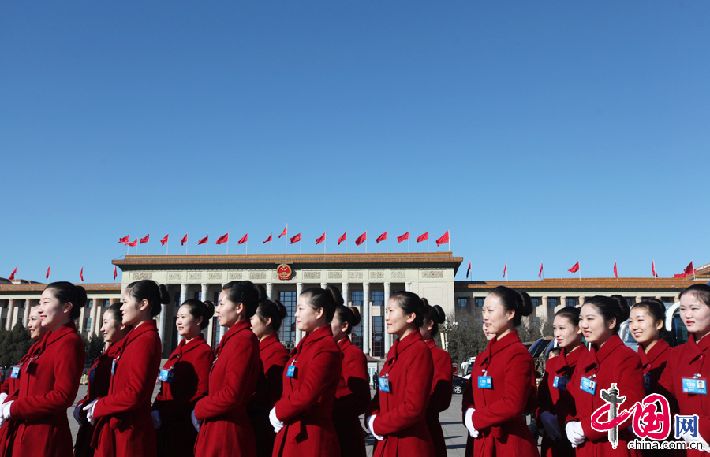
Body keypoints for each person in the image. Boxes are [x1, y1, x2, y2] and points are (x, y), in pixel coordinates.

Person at [0, 281, 86, 457]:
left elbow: (63, 396)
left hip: (44, 438)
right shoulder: (44, 345)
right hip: (24, 433)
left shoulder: (69, 343)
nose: (40, 309)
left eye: (45, 302)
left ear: (66, 307)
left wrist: (14, 408)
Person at [84, 280, 168, 457]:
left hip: (129, 434)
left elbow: (134, 393)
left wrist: (100, 406)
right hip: (119, 429)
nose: (121, 308)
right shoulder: (135, 340)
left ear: (143, 304)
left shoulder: (146, 340)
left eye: (126, 302)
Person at [461, 285, 539, 457]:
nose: (485, 316)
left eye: (490, 310)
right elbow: (470, 394)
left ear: (510, 314)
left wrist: (476, 419)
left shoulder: (518, 355)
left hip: (508, 444)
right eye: (483, 311)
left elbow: (513, 403)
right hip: (480, 441)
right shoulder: (483, 357)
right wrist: (468, 411)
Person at [565, 295, 643, 456]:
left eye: (590, 318)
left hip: (614, 446)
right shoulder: (585, 359)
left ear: (611, 322)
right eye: (581, 319)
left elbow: (629, 408)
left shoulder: (626, 358)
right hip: (585, 447)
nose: (584, 325)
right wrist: (570, 422)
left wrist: (585, 427)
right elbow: (571, 395)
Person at [271, 287, 342, 457]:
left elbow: (308, 393)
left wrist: (278, 412)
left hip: (310, 438)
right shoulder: (306, 346)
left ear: (319, 312)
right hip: (292, 430)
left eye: (301, 309)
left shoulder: (326, 348)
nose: (296, 314)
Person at [193, 282, 262, 457]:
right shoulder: (232, 340)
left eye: (222, 303)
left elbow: (232, 394)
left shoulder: (243, 340)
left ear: (239, 307)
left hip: (226, 435)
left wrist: (200, 408)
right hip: (216, 427)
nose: (217, 310)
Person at [366, 291, 434, 457]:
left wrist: (379, 425)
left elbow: (413, 407)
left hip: (408, 445)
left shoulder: (419, 351)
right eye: (386, 311)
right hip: (386, 441)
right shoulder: (395, 352)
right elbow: (382, 393)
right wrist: (373, 415)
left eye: (391, 311)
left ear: (410, 316)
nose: (386, 317)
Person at [153, 299, 214, 457]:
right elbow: (164, 386)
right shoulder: (176, 352)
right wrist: (156, 410)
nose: (178, 321)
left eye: (183, 317)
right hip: (164, 424)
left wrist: (171, 412)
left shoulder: (203, 352)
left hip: (182, 427)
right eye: (178, 317)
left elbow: (201, 392)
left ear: (199, 320)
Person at [659, 284, 710, 455]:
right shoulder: (676, 355)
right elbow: (666, 399)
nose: (687, 315)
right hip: (687, 446)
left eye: (694, 308)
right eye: (682, 309)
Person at [74, 303, 129, 457]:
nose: (101, 329)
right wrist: (82, 405)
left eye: (105, 323)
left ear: (122, 325)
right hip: (90, 425)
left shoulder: (123, 355)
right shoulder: (107, 355)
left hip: (105, 426)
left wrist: (96, 406)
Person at [537, 307, 587, 457]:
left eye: (562, 328)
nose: (557, 334)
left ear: (578, 329)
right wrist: (543, 417)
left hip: (579, 440)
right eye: (555, 329)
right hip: (552, 441)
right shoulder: (553, 364)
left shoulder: (589, 362)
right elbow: (542, 398)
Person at [249, 298, 289, 457]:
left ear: (267, 321)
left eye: (253, 317)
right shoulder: (257, 348)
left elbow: (271, 394)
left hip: (263, 425)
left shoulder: (276, 352)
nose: (249, 322)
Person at [332, 301, 370, 457]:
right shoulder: (327, 351)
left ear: (344, 326)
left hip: (344, 433)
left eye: (330, 320)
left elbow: (360, 399)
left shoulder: (352, 354)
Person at [420, 301, 453, 457]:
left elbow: (440, 400)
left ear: (429, 324)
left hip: (426, 433)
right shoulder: (398, 353)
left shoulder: (439, 356)